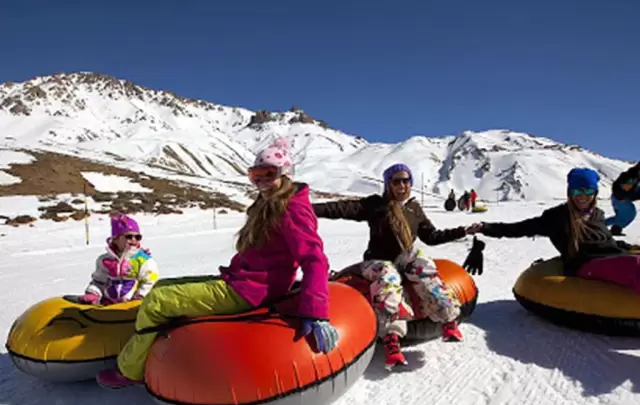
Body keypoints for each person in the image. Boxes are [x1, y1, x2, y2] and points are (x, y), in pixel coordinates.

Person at [96, 137, 339, 389]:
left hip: (251, 291)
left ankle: (129, 370)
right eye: (255, 175)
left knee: (157, 302)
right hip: (242, 281)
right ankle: (144, 343)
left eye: (268, 173)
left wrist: (316, 312)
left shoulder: (291, 208)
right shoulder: (269, 204)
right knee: (161, 288)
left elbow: (314, 258)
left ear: (285, 174)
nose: (261, 180)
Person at [312, 163, 482, 371]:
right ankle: (392, 337)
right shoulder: (376, 205)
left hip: (404, 259)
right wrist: (308, 208)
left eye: (406, 180)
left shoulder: (414, 208)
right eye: (396, 181)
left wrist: (463, 231)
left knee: (422, 264)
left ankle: (447, 317)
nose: (402, 185)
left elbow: (431, 236)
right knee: (388, 275)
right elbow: (339, 208)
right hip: (377, 261)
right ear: (388, 184)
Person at [478, 167, 640, 294]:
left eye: (588, 191)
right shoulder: (557, 216)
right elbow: (520, 228)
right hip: (586, 265)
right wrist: (486, 228)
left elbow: (604, 243)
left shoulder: (597, 214)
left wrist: (626, 247)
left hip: (612, 258)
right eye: (577, 191)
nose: (582, 196)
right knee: (636, 265)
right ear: (569, 193)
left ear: (595, 193)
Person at [80, 213, 159, 305]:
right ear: (116, 239)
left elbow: (150, 281)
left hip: (134, 303)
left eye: (137, 237)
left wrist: (140, 296)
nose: (134, 240)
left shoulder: (143, 260)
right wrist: (93, 293)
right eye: (128, 236)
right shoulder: (105, 260)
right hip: (109, 302)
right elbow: (99, 281)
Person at [604, 162, 640, 235]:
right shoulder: (633, 176)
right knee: (628, 215)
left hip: (618, 198)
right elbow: (625, 188)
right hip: (620, 199)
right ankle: (599, 226)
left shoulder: (633, 174)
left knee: (621, 217)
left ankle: (615, 229)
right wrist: (621, 197)